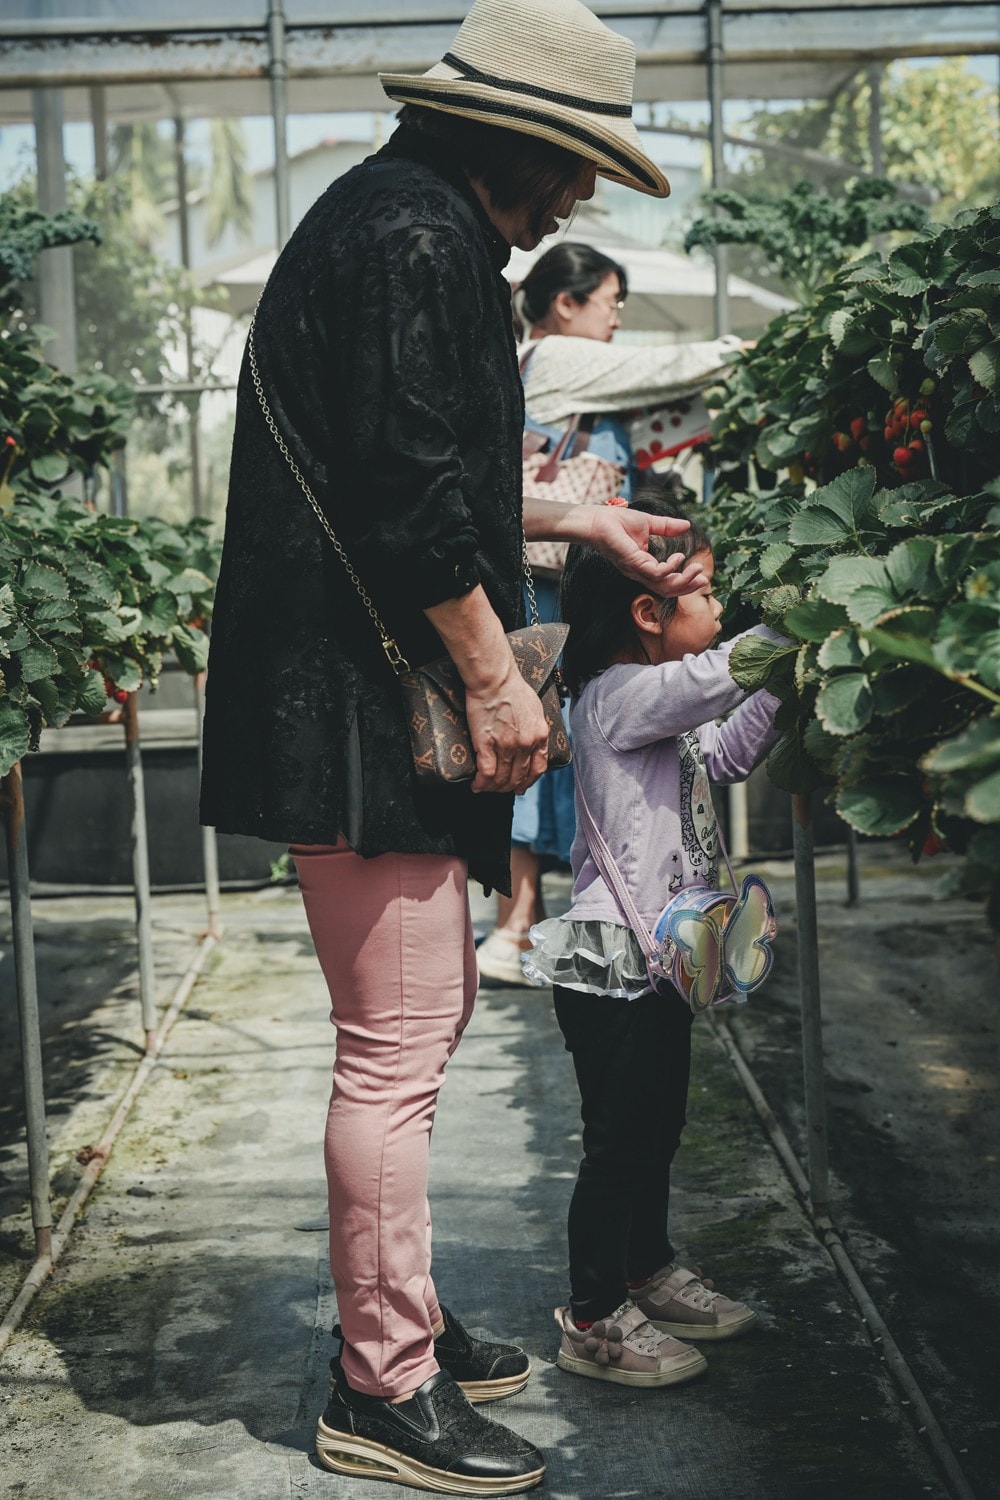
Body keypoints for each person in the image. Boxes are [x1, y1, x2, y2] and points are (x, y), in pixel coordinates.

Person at [200, 0, 711, 1492]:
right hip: (366, 715)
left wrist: (581, 516)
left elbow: (426, 468)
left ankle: (398, 1319)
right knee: (395, 1055)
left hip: (345, 700)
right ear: (523, 139)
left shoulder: (392, 222)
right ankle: (383, 1389)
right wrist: (498, 681)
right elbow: (412, 497)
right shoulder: (419, 242)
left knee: (408, 1040)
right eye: (575, 165)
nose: (580, 199)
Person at [525, 477, 785, 1388]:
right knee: (619, 1143)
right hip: (610, 973)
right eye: (707, 593)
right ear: (647, 612)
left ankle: (648, 1268)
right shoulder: (614, 698)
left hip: (662, 965)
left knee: (657, 1129)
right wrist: (791, 632)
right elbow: (703, 682)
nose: (717, 607)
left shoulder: (663, 721)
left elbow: (731, 750)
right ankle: (593, 1316)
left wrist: (785, 681)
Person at [477, 242, 740, 988]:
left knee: (574, 746)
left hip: (566, 584)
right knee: (543, 743)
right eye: (611, 302)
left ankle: (542, 919)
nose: (618, 319)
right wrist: (747, 350)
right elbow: (665, 369)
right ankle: (515, 924)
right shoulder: (555, 356)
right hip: (551, 588)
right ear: (567, 303)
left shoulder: (561, 369)